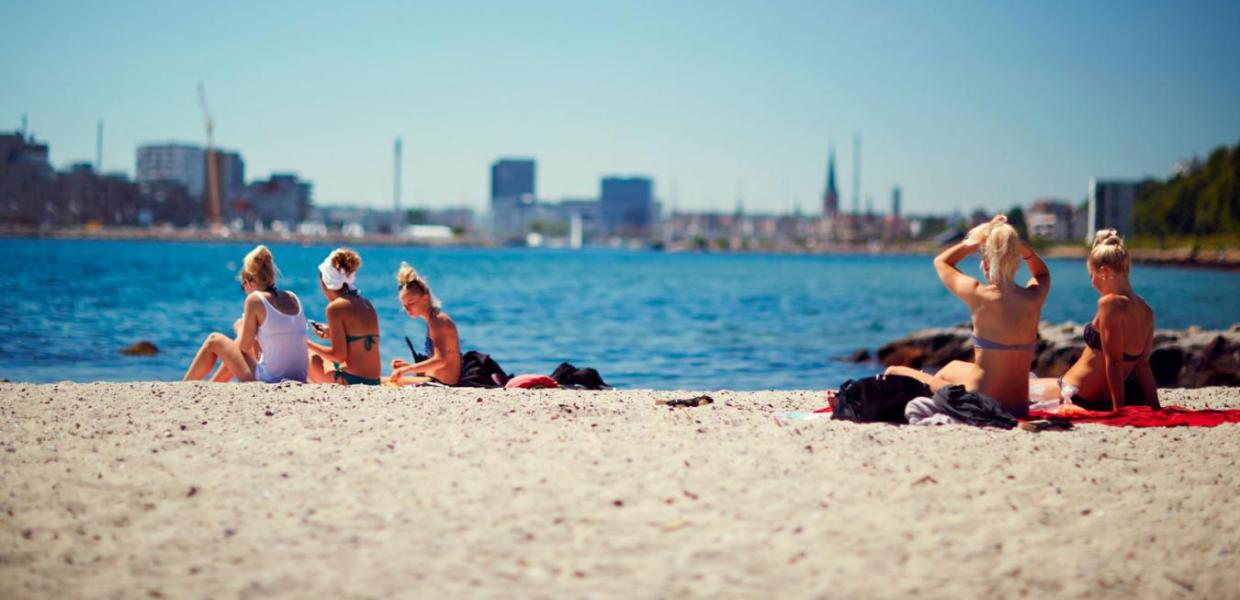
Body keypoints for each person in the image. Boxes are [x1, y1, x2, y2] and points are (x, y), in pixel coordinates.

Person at [884, 215, 1050, 415]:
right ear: (1016, 262)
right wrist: (1022, 248)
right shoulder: (1033, 296)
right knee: (952, 367)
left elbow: (942, 262)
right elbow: (1042, 274)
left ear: (986, 264)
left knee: (892, 371)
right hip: (1019, 405)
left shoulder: (979, 294)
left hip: (982, 402)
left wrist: (977, 239)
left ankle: (932, 393)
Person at [1044, 230, 1159, 411]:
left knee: (1015, 388)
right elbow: (1143, 367)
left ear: (1103, 272)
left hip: (1074, 393)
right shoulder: (1146, 311)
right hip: (1100, 401)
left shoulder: (1110, 304)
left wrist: (1118, 411)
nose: (1092, 282)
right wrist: (1156, 408)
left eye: (1091, 275)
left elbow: (1113, 363)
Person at [184, 245, 308, 383]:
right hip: (300, 377)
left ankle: (183, 387)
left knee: (214, 339)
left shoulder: (254, 299)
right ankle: (213, 384)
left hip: (270, 379)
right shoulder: (292, 296)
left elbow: (244, 347)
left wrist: (239, 327)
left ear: (249, 281)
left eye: (243, 285)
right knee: (245, 339)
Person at [307, 248, 382, 385]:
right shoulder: (366, 303)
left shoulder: (335, 308)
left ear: (325, 282)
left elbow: (338, 356)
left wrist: (307, 343)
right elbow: (360, 343)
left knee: (308, 355)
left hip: (352, 381)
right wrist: (331, 333)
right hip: (374, 381)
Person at [388, 262, 461, 386]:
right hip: (434, 379)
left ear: (425, 299)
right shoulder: (434, 318)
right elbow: (441, 361)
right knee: (383, 380)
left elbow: (441, 360)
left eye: (411, 303)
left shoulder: (438, 320)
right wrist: (410, 366)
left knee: (380, 381)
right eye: (404, 305)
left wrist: (406, 370)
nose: (407, 309)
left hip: (441, 383)